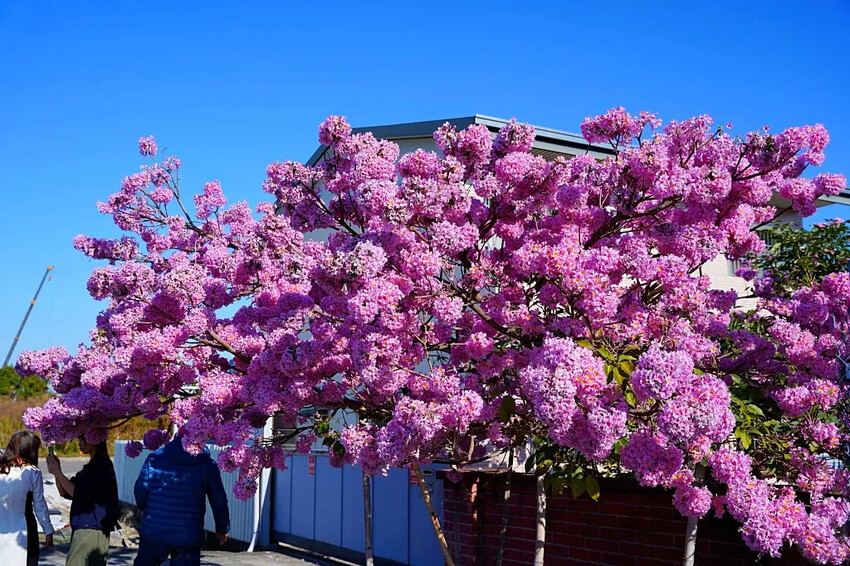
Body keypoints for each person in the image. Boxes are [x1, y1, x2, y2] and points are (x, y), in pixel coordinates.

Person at [133, 434, 230, 566]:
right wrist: (222, 527)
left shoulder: (155, 458)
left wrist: (148, 508)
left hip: (155, 530)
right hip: (188, 534)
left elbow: (141, 489)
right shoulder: (207, 464)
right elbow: (218, 499)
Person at [47, 436, 120, 566]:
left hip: (90, 530)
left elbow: (78, 493)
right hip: (89, 530)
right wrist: (57, 470)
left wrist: (58, 473)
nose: (79, 443)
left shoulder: (100, 467)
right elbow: (64, 492)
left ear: (95, 441)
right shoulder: (92, 467)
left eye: (83, 439)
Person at [0, 431, 54, 564]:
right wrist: (48, 530)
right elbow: (39, 505)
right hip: (25, 531)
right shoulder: (32, 472)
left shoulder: (1, 469)